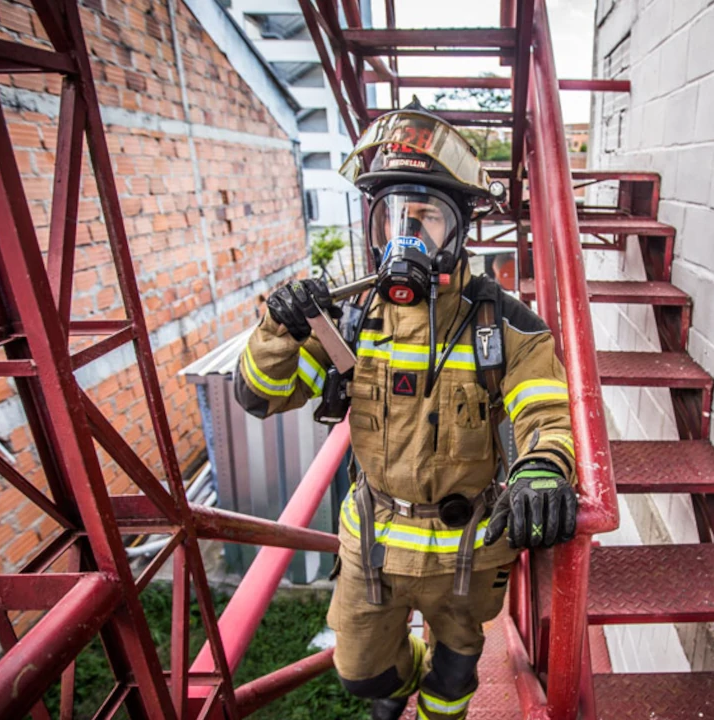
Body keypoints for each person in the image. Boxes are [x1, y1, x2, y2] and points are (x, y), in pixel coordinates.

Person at [234, 101, 578, 720]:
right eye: (393, 218)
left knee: (454, 676)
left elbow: (544, 414)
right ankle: (396, 688)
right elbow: (261, 395)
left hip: (468, 552)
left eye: (426, 219)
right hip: (373, 546)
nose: (406, 238)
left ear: (460, 230)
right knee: (361, 675)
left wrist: (543, 468)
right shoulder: (351, 320)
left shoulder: (507, 326)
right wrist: (278, 330)